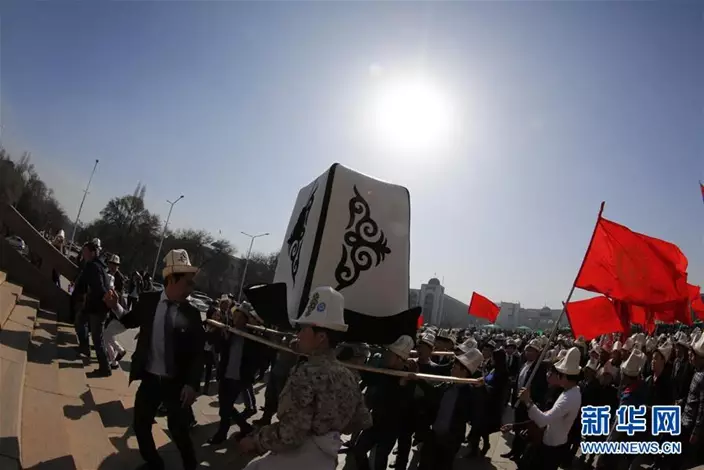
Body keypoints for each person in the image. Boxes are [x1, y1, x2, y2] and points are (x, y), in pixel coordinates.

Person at [237, 286, 372, 469]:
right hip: (327, 460)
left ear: (321, 337)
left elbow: (290, 434)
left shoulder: (306, 374)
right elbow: (362, 420)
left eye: (303, 329)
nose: (298, 335)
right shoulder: (348, 375)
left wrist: (256, 440)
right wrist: (329, 430)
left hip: (300, 458)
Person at [103, 249, 205, 470]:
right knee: (140, 425)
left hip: (176, 383)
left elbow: (198, 353)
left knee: (178, 430)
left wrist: (191, 384)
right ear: (172, 279)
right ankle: (154, 463)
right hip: (150, 378)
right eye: (187, 283)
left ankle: (190, 466)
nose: (191, 288)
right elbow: (130, 320)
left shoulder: (192, 314)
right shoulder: (149, 301)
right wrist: (115, 306)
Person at [207, 301, 266, 445]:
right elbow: (217, 348)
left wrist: (253, 374)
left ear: (246, 319)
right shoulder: (230, 332)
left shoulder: (252, 337)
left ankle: (222, 433)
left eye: (240, 317)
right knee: (225, 405)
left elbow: (259, 358)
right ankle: (245, 428)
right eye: (235, 317)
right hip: (225, 375)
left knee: (226, 407)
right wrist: (222, 337)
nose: (236, 320)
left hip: (239, 378)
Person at [517, 346, 582, 470]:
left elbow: (543, 420)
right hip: (552, 441)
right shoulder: (571, 391)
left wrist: (528, 401)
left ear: (564, 376)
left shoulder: (569, 398)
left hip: (553, 447)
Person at [72, 241, 112, 376]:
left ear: (93, 253)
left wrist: (83, 292)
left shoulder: (94, 267)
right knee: (80, 320)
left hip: (97, 307)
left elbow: (98, 287)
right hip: (93, 305)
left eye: (85, 252)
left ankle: (105, 367)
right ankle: (84, 347)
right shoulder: (97, 265)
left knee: (97, 338)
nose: (83, 254)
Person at [104, 254, 128, 369]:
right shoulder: (107, 273)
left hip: (118, 310)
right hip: (110, 309)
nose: (113, 266)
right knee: (108, 335)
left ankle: (117, 354)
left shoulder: (120, 277)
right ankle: (113, 359)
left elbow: (119, 293)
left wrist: (111, 291)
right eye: (111, 264)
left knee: (107, 335)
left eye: (115, 265)